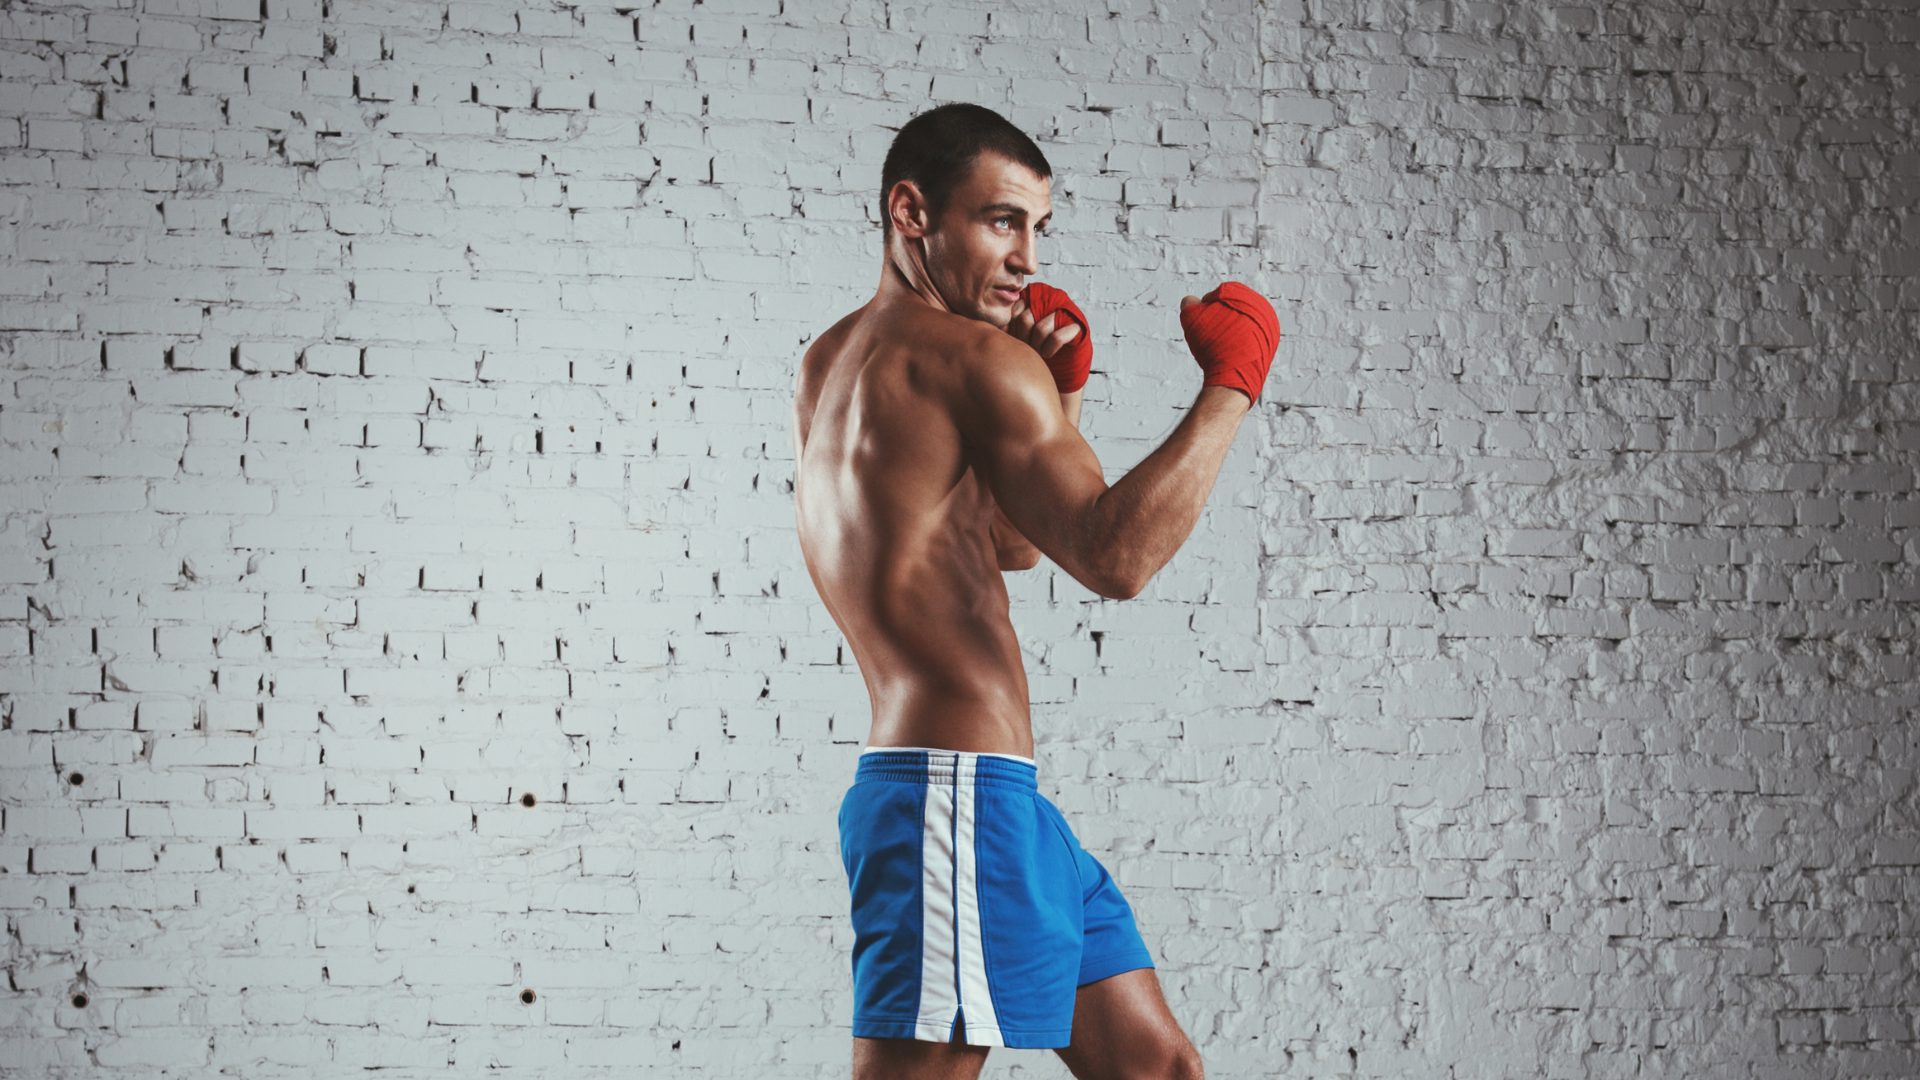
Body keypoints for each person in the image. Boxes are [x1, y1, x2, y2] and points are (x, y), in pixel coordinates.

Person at [790, 103, 1280, 1080]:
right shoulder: (976, 361)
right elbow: (1113, 558)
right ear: (912, 212)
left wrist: (1061, 395)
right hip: (955, 795)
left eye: (1037, 229)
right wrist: (1233, 383)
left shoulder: (833, 360)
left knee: (1157, 1069)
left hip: (990, 797)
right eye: (1001, 221)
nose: (1025, 256)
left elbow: (1009, 548)